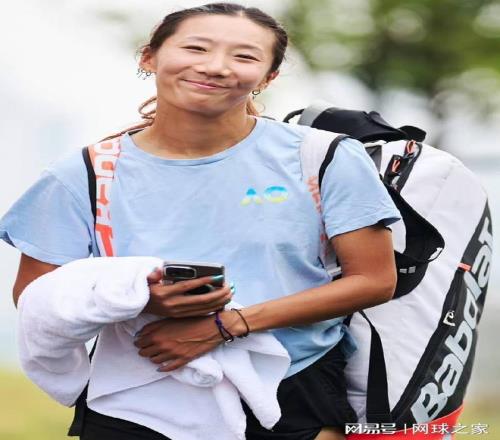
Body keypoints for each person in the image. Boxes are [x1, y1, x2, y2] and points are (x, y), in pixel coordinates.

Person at [0, 3, 402, 440]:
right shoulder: (86, 173)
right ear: (149, 57)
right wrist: (136, 300)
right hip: (137, 389)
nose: (215, 67)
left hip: (293, 387)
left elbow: (374, 280)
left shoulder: (324, 156)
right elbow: (35, 296)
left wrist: (228, 325)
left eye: (244, 56)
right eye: (196, 48)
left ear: (268, 77)